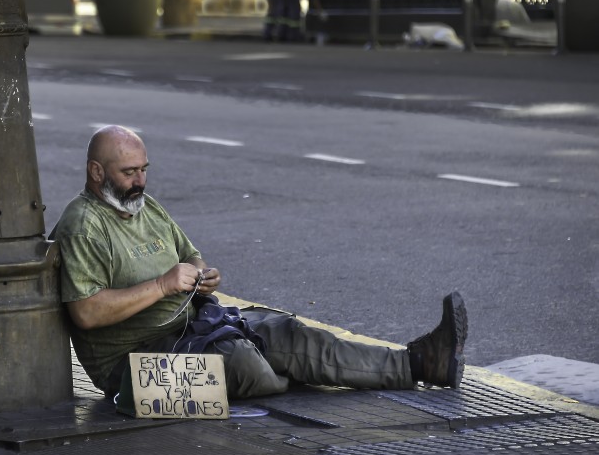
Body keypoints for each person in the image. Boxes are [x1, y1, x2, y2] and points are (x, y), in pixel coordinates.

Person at [50, 125, 468, 400]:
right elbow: (86, 313)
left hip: (193, 329)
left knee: (294, 334)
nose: (140, 181)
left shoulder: (145, 206)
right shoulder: (84, 225)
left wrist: (201, 274)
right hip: (133, 373)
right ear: (96, 172)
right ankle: (294, 374)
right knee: (250, 364)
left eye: (144, 169)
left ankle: (421, 362)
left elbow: (188, 255)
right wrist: (162, 285)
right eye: (128, 173)